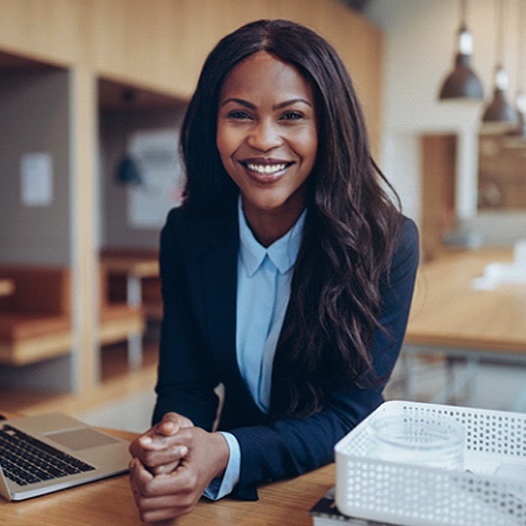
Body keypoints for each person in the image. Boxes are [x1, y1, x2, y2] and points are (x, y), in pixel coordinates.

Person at [128, 18, 419, 523]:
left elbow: (350, 413)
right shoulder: (188, 233)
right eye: (240, 114)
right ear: (211, 127)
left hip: (329, 485)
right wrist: (172, 443)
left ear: (327, 128)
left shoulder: (386, 243)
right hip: (230, 491)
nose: (264, 139)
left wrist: (222, 452)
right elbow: (186, 381)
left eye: (291, 116)